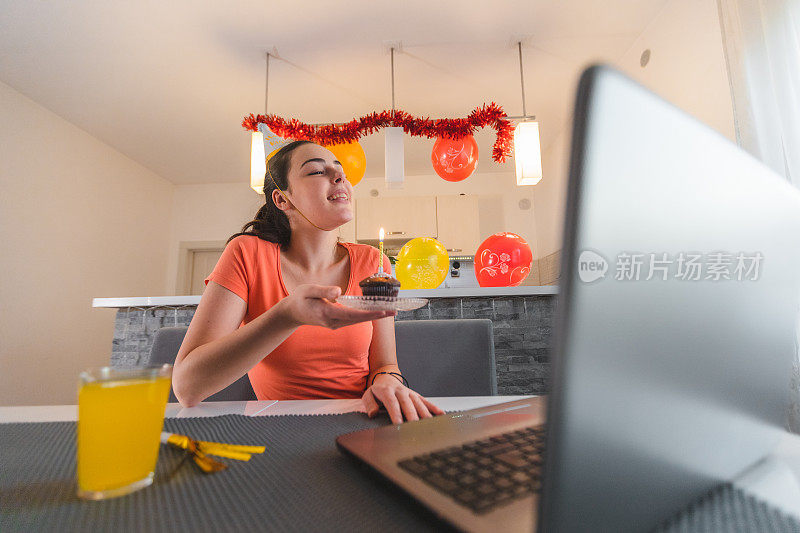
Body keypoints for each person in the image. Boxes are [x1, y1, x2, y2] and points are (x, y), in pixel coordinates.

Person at [172, 140, 443, 424]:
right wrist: (286, 316)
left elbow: (385, 364)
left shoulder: (374, 262)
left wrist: (387, 381)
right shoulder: (246, 254)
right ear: (282, 200)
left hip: (362, 420)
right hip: (276, 427)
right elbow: (187, 388)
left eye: (341, 172)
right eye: (316, 172)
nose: (339, 177)